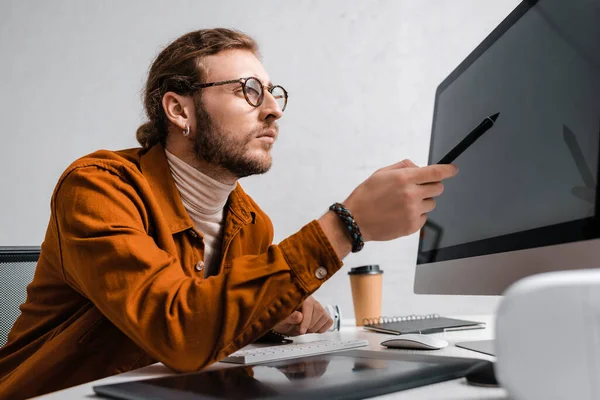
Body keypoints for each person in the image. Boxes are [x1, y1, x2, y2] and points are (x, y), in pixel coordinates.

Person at [0, 28, 457, 399]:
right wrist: (343, 226)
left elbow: (215, 322)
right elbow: (178, 330)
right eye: (249, 91)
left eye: (274, 93)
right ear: (179, 109)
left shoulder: (252, 221)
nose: (274, 109)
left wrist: (273, 319)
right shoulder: (98, 186)